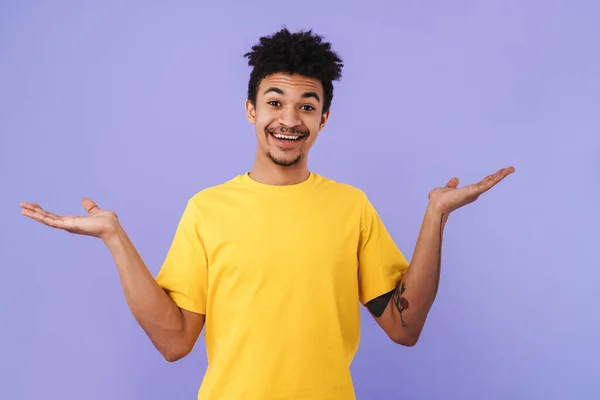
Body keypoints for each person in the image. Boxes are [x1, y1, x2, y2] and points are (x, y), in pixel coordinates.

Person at [20, 28, 514, 400]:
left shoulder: (351, 207)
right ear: (252, 109)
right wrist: (114, 237)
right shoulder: (207, 209)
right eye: (275, 102)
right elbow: (175, 342)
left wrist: (437, 216)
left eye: (307, 105)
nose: (289, 119)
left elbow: (404, 328)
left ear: (323, 118)